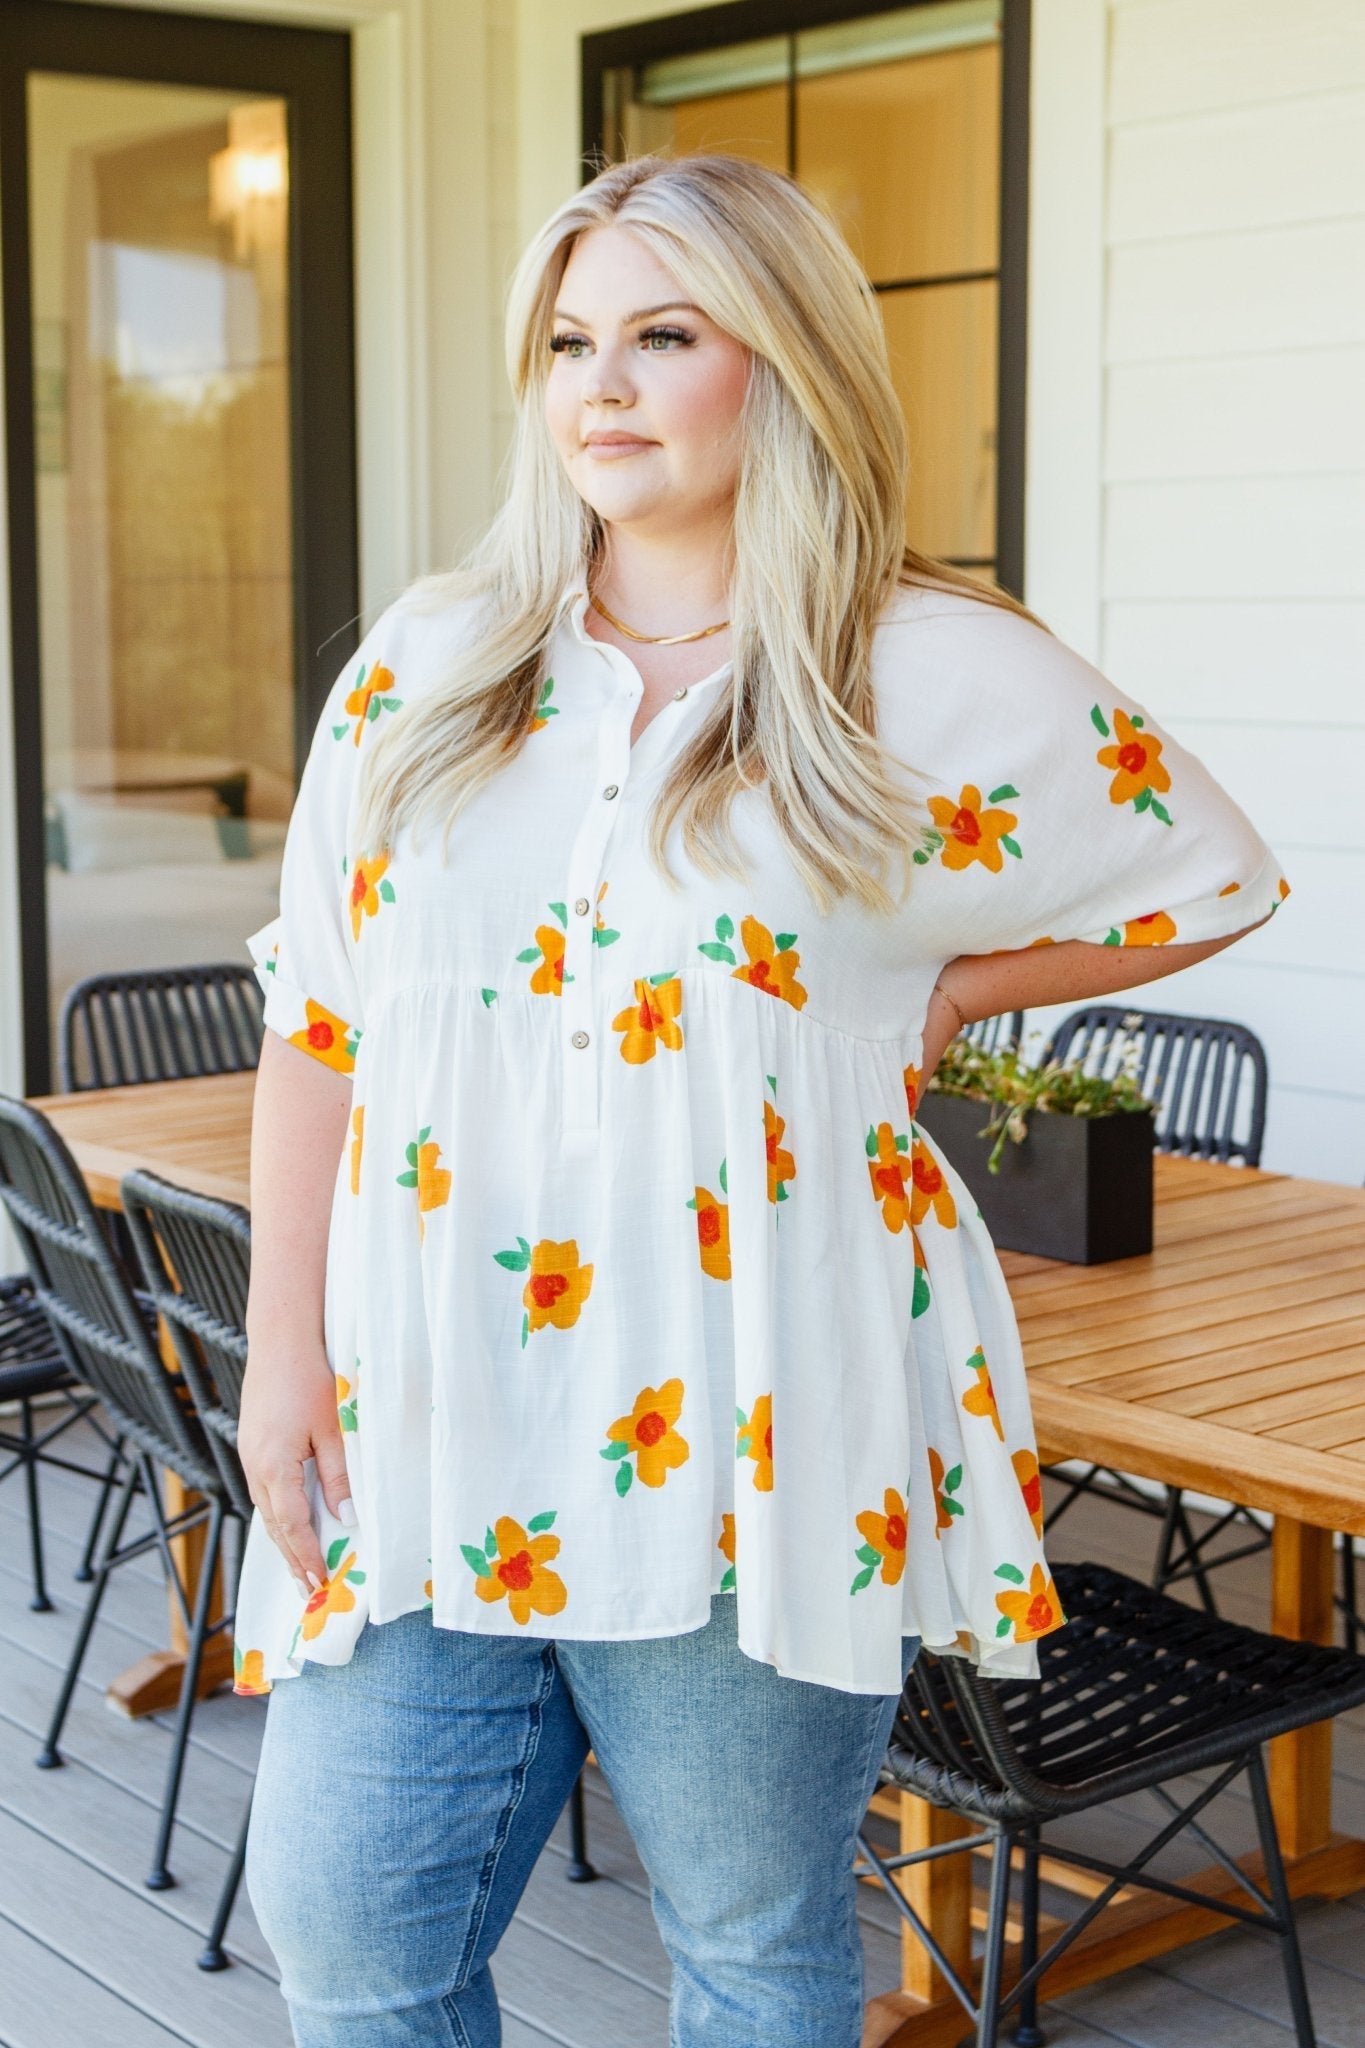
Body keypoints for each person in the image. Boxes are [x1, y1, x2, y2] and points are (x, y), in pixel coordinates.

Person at [235, 153, 1289, 2046]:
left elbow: (1207, 876)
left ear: (781, 356)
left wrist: (952, 984)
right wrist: (277, 1356)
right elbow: (323, 1025)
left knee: (748, 1948)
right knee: (352, 1937)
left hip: (752, 1416)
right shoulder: (430, 662)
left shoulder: (916, 670)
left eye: (661, 334)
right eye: (568, 342)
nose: (600, 386)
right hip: (427, 1408)